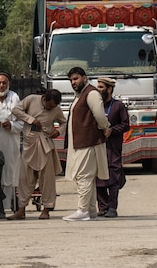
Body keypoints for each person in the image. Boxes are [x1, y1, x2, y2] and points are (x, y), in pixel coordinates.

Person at [9, 88, 66, 220]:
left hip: (45, 144)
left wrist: (57, 132)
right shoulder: (31, 99)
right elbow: (16, 110)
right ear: (44, 99)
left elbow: (64, 122)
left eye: (53, 107)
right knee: (25, 179)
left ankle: (46, 209)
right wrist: (31, 119)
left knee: (47, 180)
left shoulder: (56, 109)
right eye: (49, 105)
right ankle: (21, 210)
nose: (50, 108)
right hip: (30, 143)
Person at [63, 67, 110, 222]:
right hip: (81, 142)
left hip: (88, 142)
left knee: (84, 176)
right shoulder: (81, 95)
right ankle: (90, 211)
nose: (73, 82)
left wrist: (105, 128)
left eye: (75, 79)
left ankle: (82, 210)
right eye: (71, 80)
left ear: (84, 78)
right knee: (87, 177)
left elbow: (99, 114)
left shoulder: (91, 93)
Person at [95, 77, 130, 219]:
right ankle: (102, 207)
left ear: (109, 89)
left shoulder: (118, 106)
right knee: (98, 177)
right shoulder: (95, 106)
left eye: (101, 87)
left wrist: (112, 130)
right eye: (97, 87)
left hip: (113, 147)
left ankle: (112, 208)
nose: (98, 90)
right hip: (98, 146)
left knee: (114, 177)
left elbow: (126, 125)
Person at [0, 72, 22, 216]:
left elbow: (22, 122)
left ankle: (7, 207)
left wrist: (12, 125)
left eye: (4, 83)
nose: (1, 86)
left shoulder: (15, 99)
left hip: (9, 142)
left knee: (9, 172)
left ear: (8, 84)